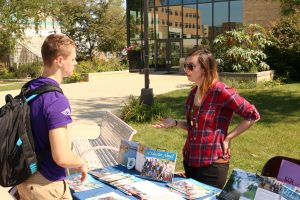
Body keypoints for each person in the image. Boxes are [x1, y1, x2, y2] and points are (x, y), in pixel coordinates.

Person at [153, 48, 260, 189]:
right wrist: (175, 122)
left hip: (212, 164)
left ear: (204, 69)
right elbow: (195, 127)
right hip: (190, 161)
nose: (186, 69)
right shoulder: (193, 93)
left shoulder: (222, 91)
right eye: (185, 65)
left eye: (191, 66)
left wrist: (228, 138)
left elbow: (252, 115)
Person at [17, 34, 88, 200]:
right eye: (73, 59)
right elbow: (61, 157)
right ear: (60, 60)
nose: (76, 63)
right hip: (46, 185)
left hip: (26, 178)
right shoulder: (56, 100)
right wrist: (81, 162)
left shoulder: (29, 89)